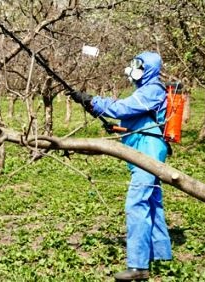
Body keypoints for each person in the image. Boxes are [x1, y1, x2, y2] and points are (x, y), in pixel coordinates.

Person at [69, 51, 172, 281]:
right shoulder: (145, 91)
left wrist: (92, 100)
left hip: (148, 152)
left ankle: (138, 267)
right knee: (152, 202)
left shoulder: (152, 89)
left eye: (139, 66)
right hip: (145, 148)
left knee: (137, 203)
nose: (134, 70)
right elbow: (138, 120)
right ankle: (161, 256)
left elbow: (123, 109)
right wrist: (115, 127)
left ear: (150, 69)